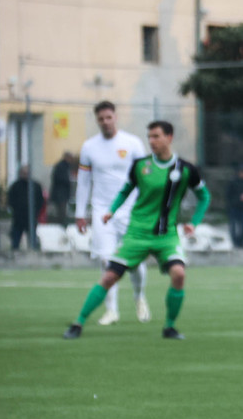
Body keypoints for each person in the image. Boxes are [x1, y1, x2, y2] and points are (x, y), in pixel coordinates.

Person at [63, 120, 210, 341]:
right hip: (137, 234)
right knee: (109, 276)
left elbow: (204, 196)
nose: (151, 141)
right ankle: (78, 323)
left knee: (179, 274)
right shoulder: (140, 166)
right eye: (149, 137)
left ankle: (169, 327)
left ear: (169, 137)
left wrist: (194, 222)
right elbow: (125, 190)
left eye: (156, 136)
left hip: (166, 236)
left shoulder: (186, 169)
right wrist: (111, 210)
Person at [76, 101, 149, 325]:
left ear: (115, 117)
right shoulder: (89, 147)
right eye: (101, 119)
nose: (105, 122)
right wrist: (80, 212)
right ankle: (111, 310)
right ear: (97, 121)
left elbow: (145, 177)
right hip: (102, 212)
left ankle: (139, 297)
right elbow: (84, 181)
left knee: (134, 262)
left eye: (109, 117)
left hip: (131, 211)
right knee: (107, 261)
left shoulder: (133, 143)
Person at [7, 165, 44, 250]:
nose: (25, 175)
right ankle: (14, 252)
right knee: (16, 239)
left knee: (32, 238)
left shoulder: (35, 186)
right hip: (18, 217)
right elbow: (11, 200)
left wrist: (36, 212)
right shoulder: (15, 186)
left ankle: (34, 251)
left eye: (27, 173)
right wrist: (16, 210)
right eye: (24, 173)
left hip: (31, 217)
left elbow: (40, 200)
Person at [49, 152, 76, 226]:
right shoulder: (61, 166)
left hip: (62, 193)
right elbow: (60, 178)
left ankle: (61, 224)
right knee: (61, 211)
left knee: (62, 210)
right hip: (60, 194)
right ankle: (61, 225)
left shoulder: (65, 166)